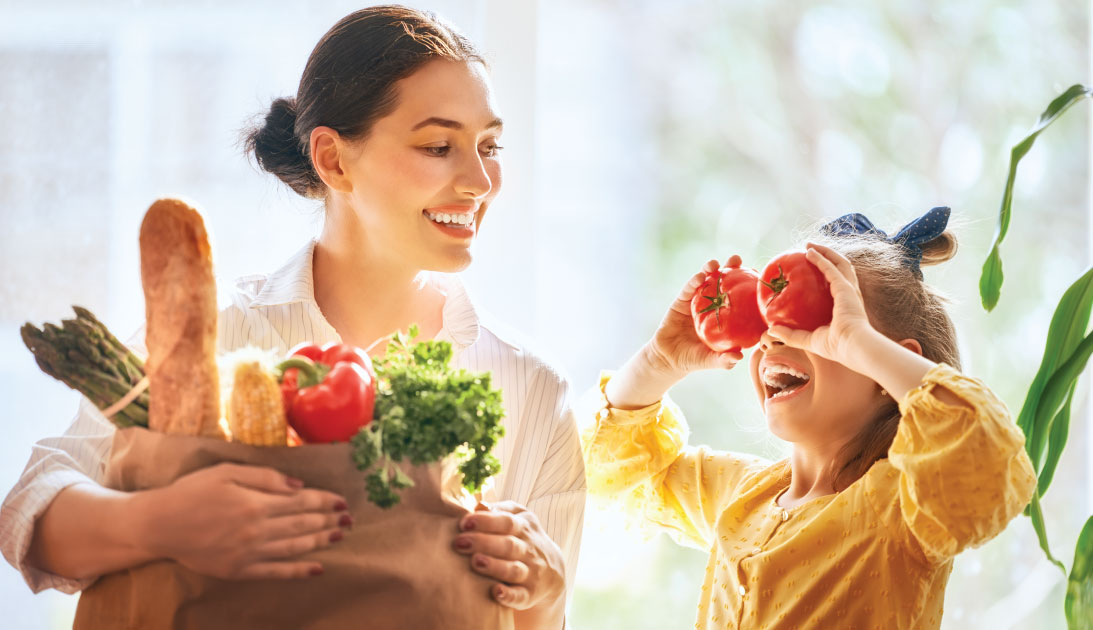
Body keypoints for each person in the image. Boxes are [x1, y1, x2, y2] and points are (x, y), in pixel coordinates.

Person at [0, 6, 584, 628]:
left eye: (489, 146)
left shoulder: (531, 388)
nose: (479, 181)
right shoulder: (215, 335)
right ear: (332, 160)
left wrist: (542, 594)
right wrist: (161, 522)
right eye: (438, 146)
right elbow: (29, 517)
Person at [581, 207, 1037, 629]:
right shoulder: (742, 495)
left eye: (821, 326)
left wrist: (858, 343)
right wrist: (658, 363)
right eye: (769, 318)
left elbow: (990, 457)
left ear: (883, 370)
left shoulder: (901, 509)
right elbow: (611, 471)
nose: (773, 339)